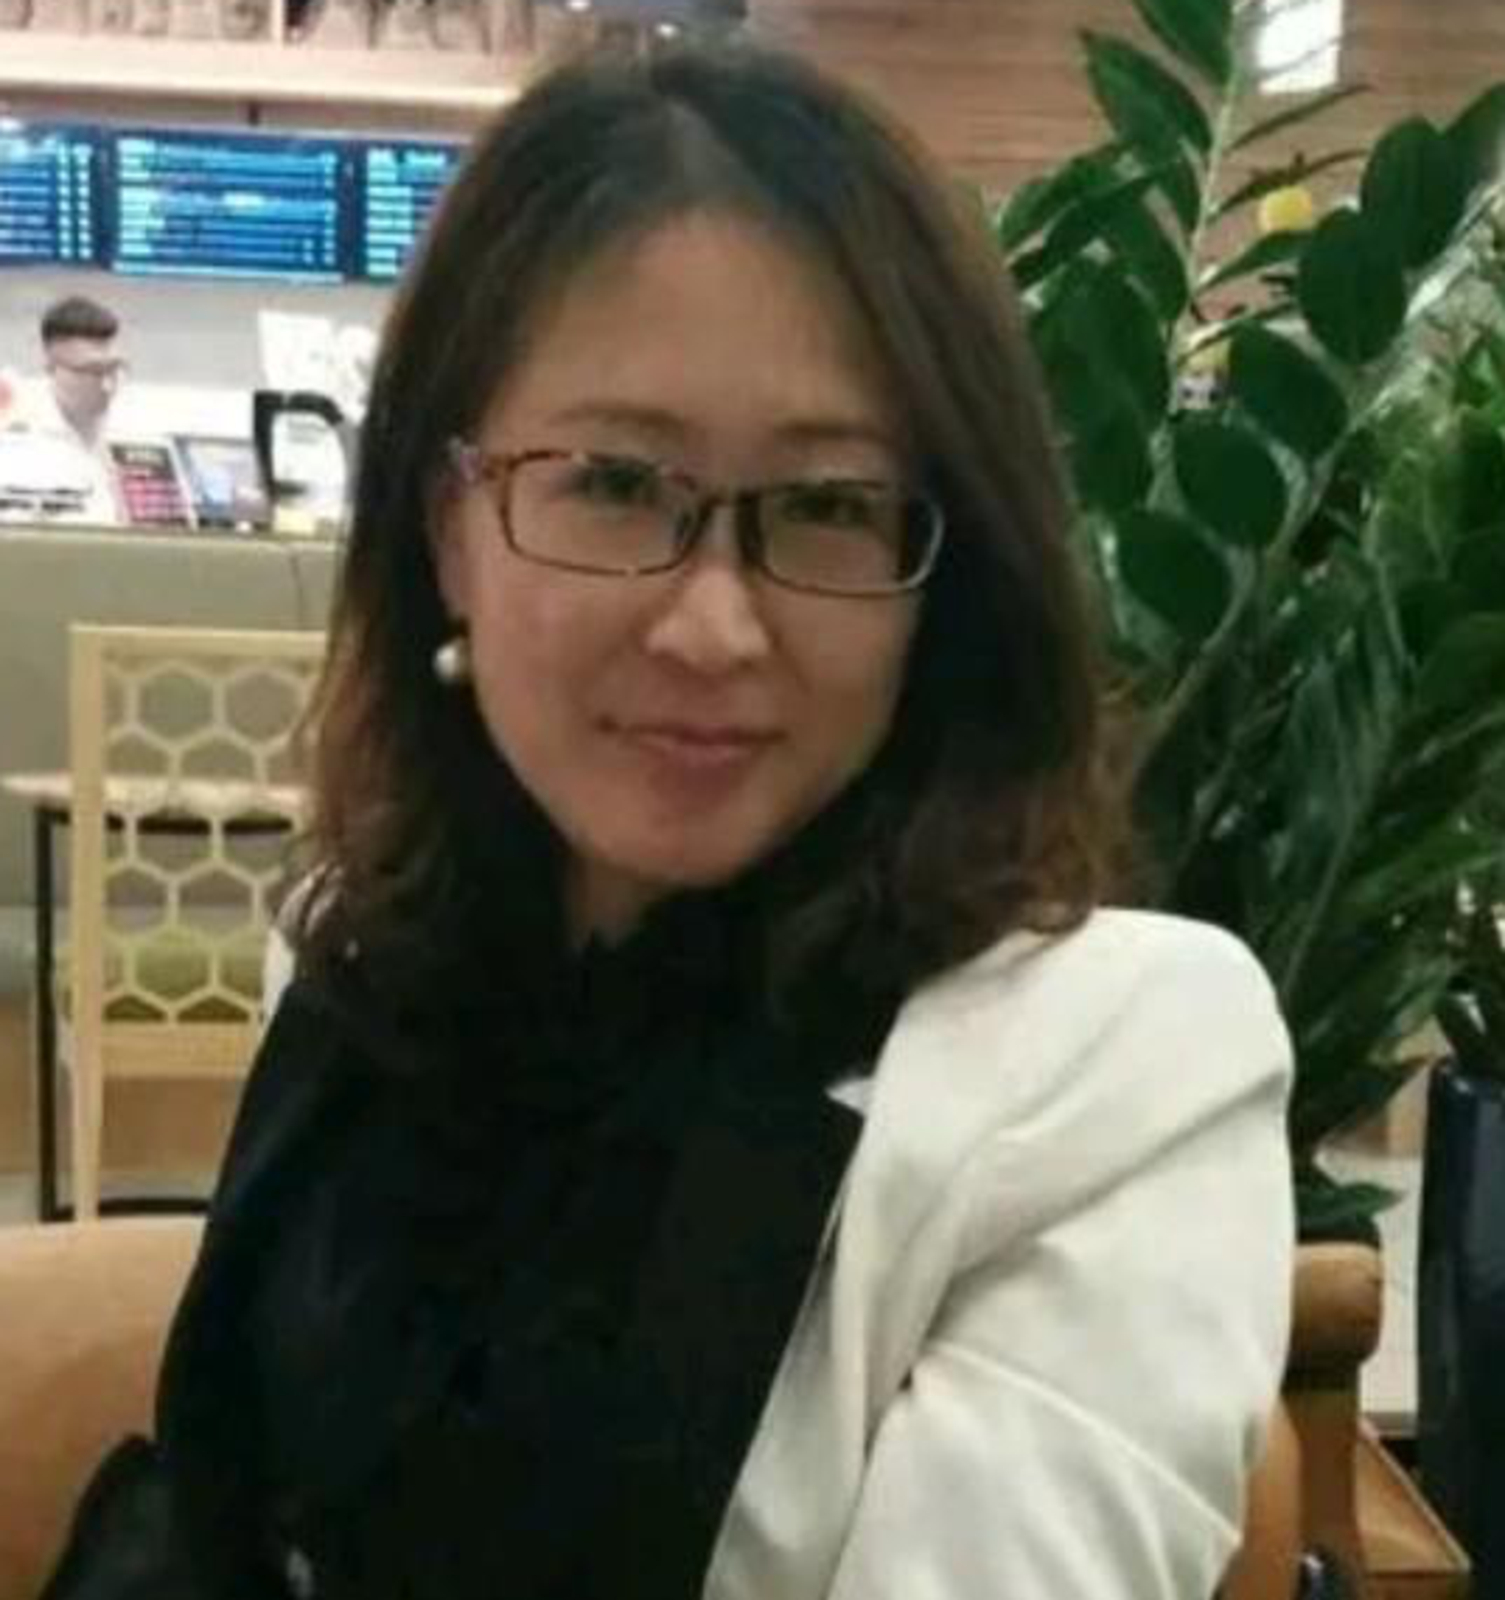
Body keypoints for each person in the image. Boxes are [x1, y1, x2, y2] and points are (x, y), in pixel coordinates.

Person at [42, 40, 1294, 1600]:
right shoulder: (355, 950)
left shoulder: (1113, 1067)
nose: (711, 626)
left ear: (946, 575)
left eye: (827, 507)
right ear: (447, 527)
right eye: (617, 485)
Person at [11, 295, 126, 522]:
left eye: (113, 369)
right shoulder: (16, 442)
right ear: (50, 366)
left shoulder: (130, 425)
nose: (107, 385)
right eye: (91, 371)